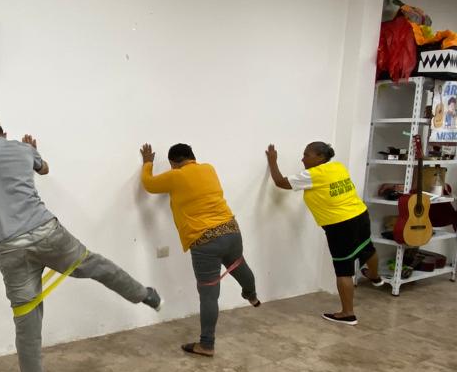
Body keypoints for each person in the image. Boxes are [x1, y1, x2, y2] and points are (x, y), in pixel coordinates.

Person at [0, 115, 160, 372]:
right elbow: (45, 169)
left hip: (10, 249)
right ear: (4, 133)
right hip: (47, 233)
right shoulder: (23, 149)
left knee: (27, 326)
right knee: (95, 265)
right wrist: (32, 151)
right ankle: (145, 295)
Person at [139, 142, 259, 357]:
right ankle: (251, 295)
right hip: (231, 230)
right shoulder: (208, 168)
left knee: (209, 295)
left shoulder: (175, 176)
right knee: (239, 264)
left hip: (205, 240)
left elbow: (149, 184)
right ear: (192, 157)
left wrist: (147, 163)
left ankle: (206, 344)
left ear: (173, 163)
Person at [266, 140, 383, 325]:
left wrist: (272, 161)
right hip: (360, 214)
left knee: (343, 269)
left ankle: (348, 314)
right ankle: (375, 277)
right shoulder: (338, 167)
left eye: (306, 155)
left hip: (340, 225)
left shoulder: (313, 175)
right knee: (367, 248)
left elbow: (280, 182)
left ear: (320, 157)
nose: (302, 159)